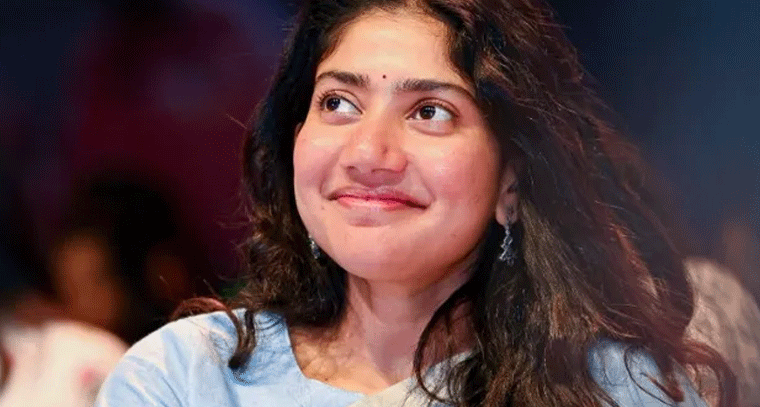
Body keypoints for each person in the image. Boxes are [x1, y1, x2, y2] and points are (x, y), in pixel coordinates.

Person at [96, 0, 736, 406]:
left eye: (430, 111)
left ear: (512, 182)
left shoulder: (620, 389)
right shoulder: (184, 378)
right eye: (338, 103)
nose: (368, 152)